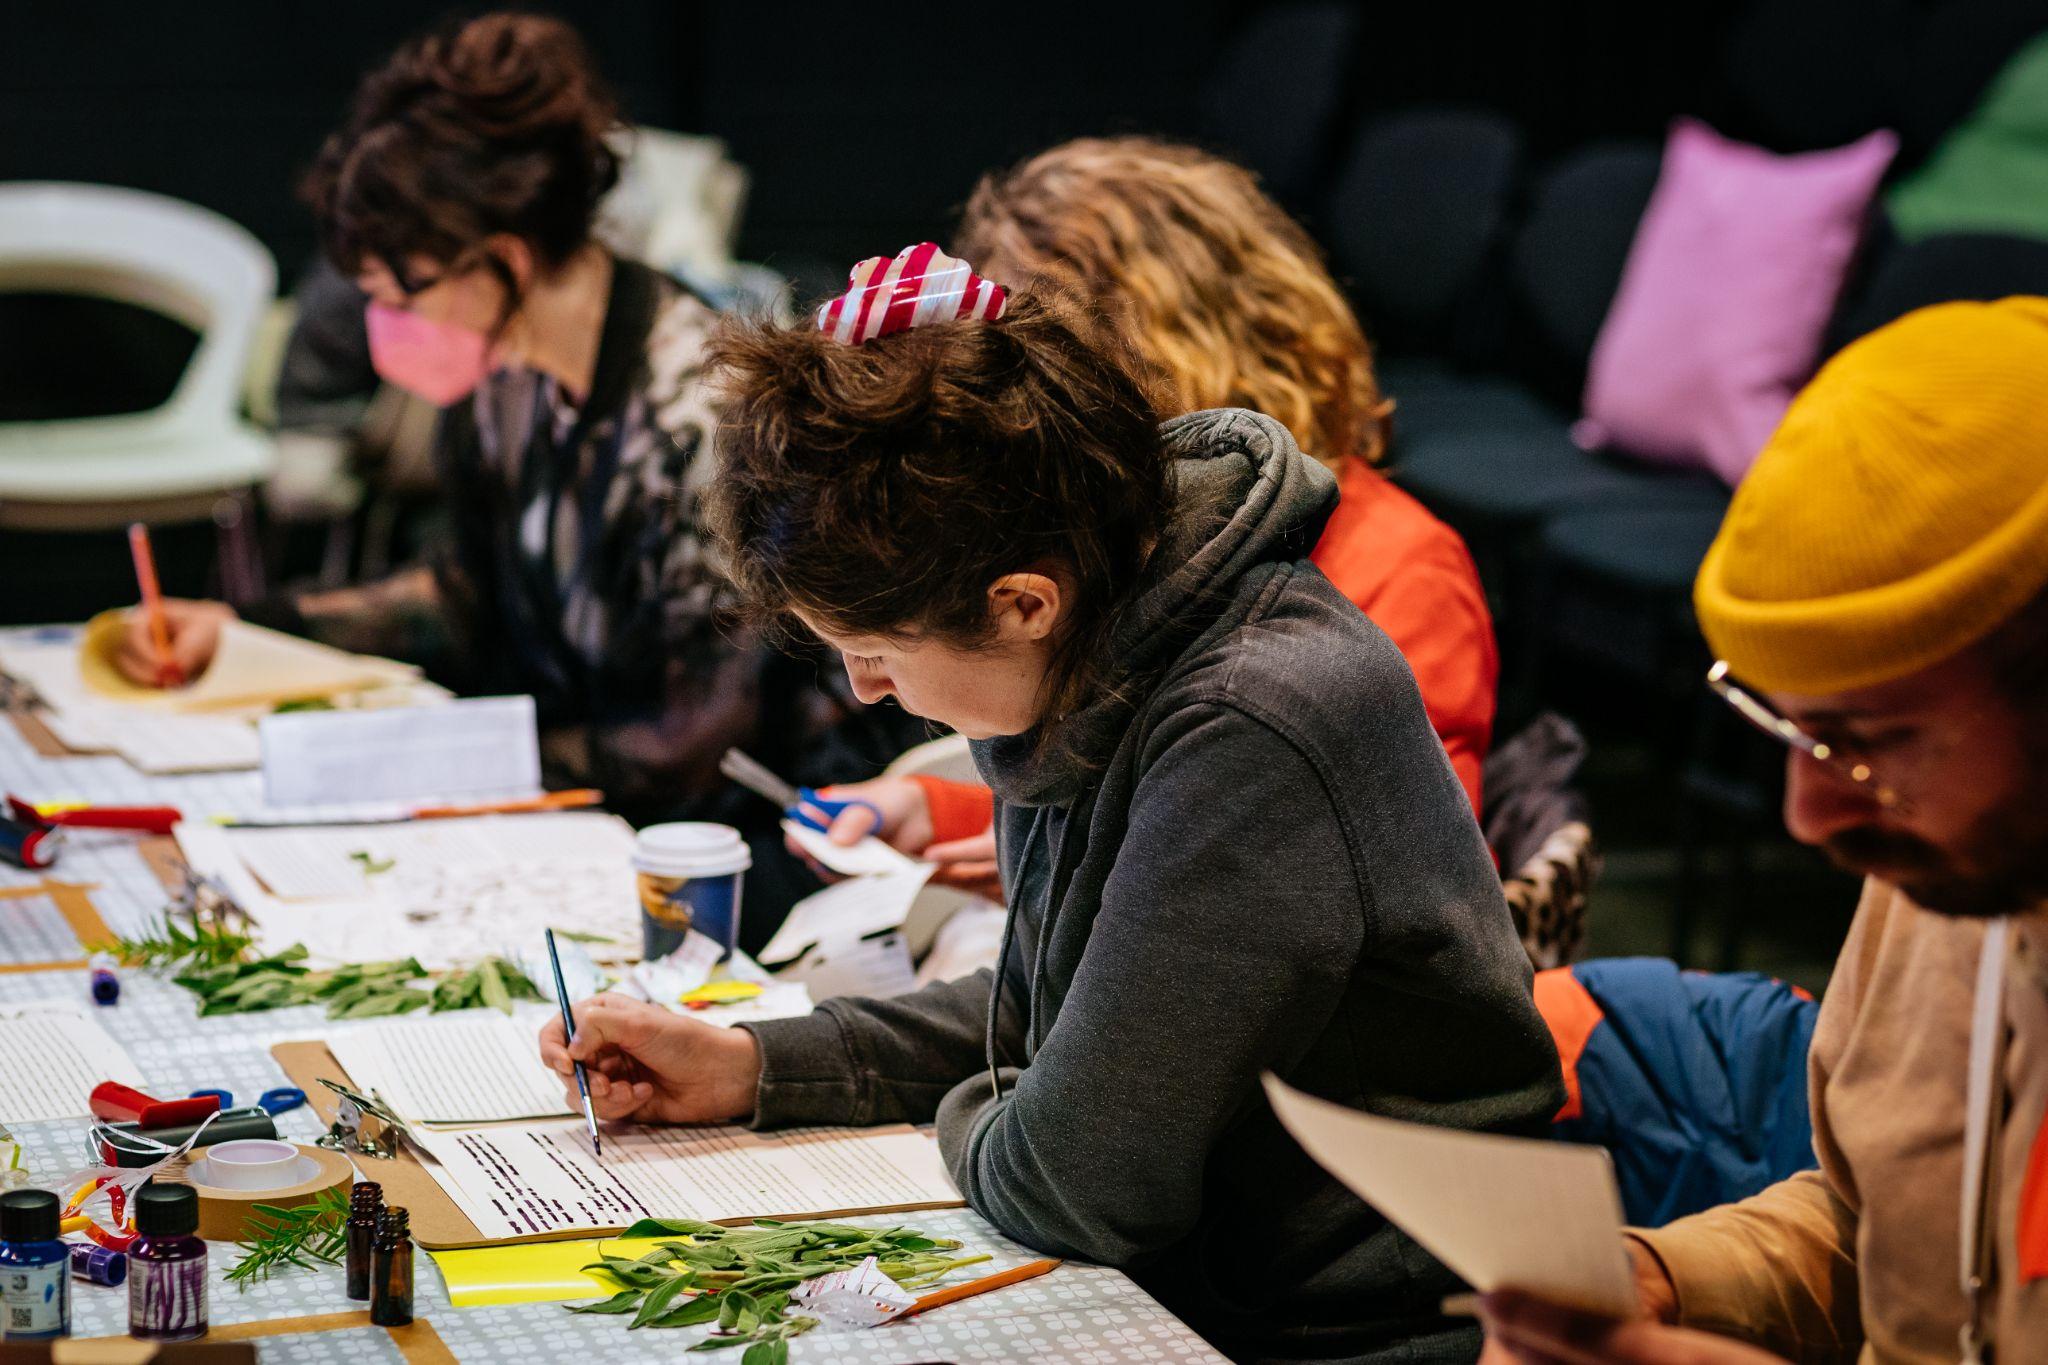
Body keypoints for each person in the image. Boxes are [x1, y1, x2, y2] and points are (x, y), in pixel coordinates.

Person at [540, 245, 1562, 1362]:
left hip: (1360, 1338)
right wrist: (755, 1064)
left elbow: (1077, 1183)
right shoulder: (1103, 642)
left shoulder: (1249, 719)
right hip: (1216, 1291)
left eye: (874, 652)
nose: (863, 691)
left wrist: (1005, 1104)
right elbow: (1049, 1011)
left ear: (1023, 601)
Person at [109, 15, 912, 917]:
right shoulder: (507, 374)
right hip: (582, 817)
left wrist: (452, 758)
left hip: (743, 856)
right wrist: (249, 625)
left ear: (505, 260)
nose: (381, 320)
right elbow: (467, 591)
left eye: (394, 292)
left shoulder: (700, 418)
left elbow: (689, 742)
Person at [1479, 297, 2048, 1363]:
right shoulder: (1948, 871)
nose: (1806, 812)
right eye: (1781, 725)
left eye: (1865, 737)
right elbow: (1876, 1225)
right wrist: (1665, 1282)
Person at [795, 138, 1499, 895]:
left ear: (1141, 354)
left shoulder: (1403, 570)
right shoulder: (1135, 560)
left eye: (1043, 358)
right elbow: (1136, 787)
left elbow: (1386, 881)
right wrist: (941, 811)